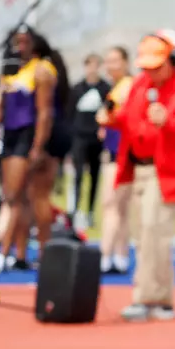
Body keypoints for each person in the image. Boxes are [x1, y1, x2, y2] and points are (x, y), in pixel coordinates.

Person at [112, 29, 175, 322]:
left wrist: (170, 122)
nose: (151, 73)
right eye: (147, 67)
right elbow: (131, 121)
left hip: (166, 172)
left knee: (155, 229)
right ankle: (162, 298)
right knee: (144, 236)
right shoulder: (140, 87)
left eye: (157, 66)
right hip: (138, 169)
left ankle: (144, 298)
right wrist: (113, 120)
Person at [0, 25, 71, 273]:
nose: (20, 47)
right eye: (17, 42)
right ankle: (20, 254)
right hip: (12, 136)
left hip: (32, 134)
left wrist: (38, 146)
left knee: (31, 196)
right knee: (17, 196)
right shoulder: (11, 72)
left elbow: (45, 112)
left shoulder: (42, 71)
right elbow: (2, 107)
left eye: (25, 42)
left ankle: (37, 253)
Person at [95, 46, 134, 274]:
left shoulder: (127, 87)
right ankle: (120, 256)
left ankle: (105, 254)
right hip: (115, 150)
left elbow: (121, 117)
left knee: (110, 204)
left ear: (125, 62)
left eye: (115, 60)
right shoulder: (115, 88)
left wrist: (107, 119)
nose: (110, 66)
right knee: (120, 208)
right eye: (107, 61)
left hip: (120, 153)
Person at [67, 53, 110, 233]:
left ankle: (90, 212)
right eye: (89, 65)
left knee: (94, 176)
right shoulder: (77, 89)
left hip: (96, 139)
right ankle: (75, 211)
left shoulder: (105, 89)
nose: (92, 69)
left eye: (95, 65)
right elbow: (69, 115)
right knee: (78, 176)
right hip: (80, 138)